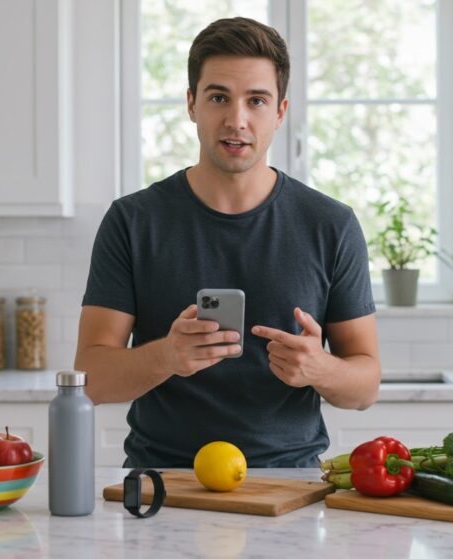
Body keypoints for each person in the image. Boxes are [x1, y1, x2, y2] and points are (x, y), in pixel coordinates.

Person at [75, 17, 380, 468]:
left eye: (256, 100)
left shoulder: (330, 224)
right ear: (192, 104)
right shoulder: (132, 221)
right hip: (162, 481)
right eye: (219, 97)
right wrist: (168, 356)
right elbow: (91, 380)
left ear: (280, 111)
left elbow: (365, 386)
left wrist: (320, 368)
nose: (236, 120)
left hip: (290, 487)